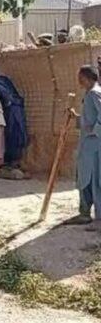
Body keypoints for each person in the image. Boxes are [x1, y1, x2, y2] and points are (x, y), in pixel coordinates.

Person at [69, 66, 101, 227]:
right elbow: (89, 118)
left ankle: (95, 217)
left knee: (94, 179)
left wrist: (93, 130)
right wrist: (76, 117)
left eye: (80, 78)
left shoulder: (94, 93)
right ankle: (85, 212)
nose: (79, 81)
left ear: (87, 78)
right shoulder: (90, 94)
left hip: (94, 146)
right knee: (85, 178)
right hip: (88, 145)